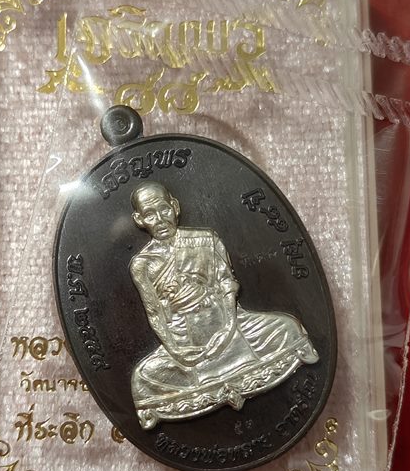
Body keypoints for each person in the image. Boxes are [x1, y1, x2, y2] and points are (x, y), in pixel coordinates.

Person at [129, 181, 319, 430]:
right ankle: (223, 377)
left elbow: (227, 284)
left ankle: (218, 379)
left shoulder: (205, 240)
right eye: (150, 215)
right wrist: (176, 351)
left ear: (174, 207)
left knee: (288, 327)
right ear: (140, 220)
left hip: (231, 325)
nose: (160, 220)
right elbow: (154, 312)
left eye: (163, 209)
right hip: (186, 344)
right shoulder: (142, 264)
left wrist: (228, 327)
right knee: (142, 379)